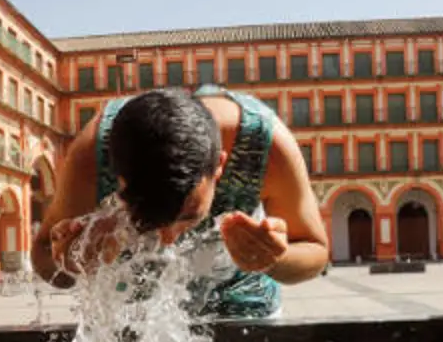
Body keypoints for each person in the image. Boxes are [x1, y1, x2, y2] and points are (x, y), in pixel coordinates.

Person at [31, 85, 330, 319]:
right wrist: (72, 259)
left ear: (220, 167)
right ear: (118, 178)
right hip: (135, 319)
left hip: (246, 311)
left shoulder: (266, 145)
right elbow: (44, 256)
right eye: (146, 218)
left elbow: (316, 252)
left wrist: (274, 258)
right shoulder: (92, 154)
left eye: (188, 215)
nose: (168, 239)